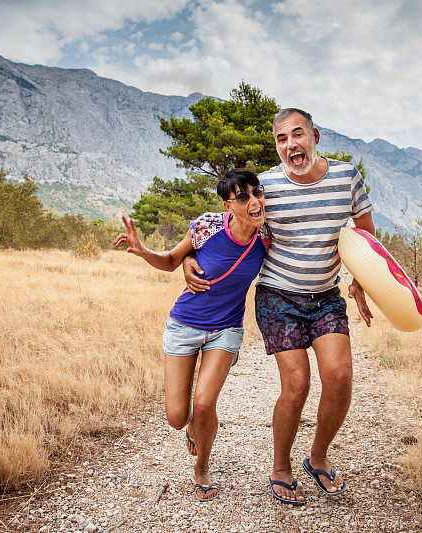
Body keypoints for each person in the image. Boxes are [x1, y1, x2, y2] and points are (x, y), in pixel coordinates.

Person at [184, 108, 375, 505]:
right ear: (277, 146)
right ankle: (281, 467)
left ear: (315, 136)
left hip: (326, 297)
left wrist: (362, 281)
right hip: (278, 296)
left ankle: (318, 458)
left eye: (298, 135)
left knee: (339, 378)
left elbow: (366, 237)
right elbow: (228, 225)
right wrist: (189, 258)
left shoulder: (347, 178)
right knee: (298, 384)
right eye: (282, 139)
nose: (291, 145)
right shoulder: (266, 186)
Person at [113, 169, 269, 501]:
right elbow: (171, 260)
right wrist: (144, 251)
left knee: (205, 405)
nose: (254, 201)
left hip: (226, 329)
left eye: (258, 192)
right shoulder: (206, 226)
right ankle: (189, 428)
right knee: (176, 417)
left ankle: (202, 466)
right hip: (184, 325)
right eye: (243, 197)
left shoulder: (267, 236)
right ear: (229, 205)